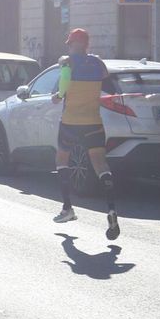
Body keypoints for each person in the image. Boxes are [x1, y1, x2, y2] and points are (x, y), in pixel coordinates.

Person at [52, 28, 119, 239]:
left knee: (62, 159)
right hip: (94, 123)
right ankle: (111, 209)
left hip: (71, 122)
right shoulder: (98, 64)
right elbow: (106, 76)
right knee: (100, 164)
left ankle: (67, 208)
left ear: (71, 44)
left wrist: (59, 95)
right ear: (87, 45)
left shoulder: (67, 63)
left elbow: (63, 85)